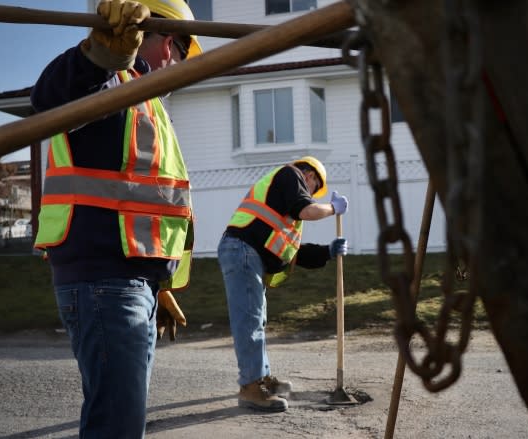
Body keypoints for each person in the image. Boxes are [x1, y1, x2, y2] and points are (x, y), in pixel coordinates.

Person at [30, 0, 202, 436]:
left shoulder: (146, 102)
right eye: (181, 52)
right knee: (117, 425)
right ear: (164, 42)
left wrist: (155, 282)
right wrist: (106, 54)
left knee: (120, 419)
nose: (178, 67)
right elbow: (50, 98)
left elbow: (148, 203)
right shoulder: (111, 80)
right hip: (105, 282)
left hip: (127, 280)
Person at [217, 156, 350, 412]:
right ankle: (251, 387)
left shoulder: (283, 207)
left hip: (248, 253)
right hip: (243, 250)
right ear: (309, 176)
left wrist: (328, 252)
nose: (309, 194)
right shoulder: (291, 175)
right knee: (250, 321)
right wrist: (332, 208)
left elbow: (294, 253)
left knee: (257, 320)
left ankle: (261, 378)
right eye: (312, 190)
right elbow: (309, 210)